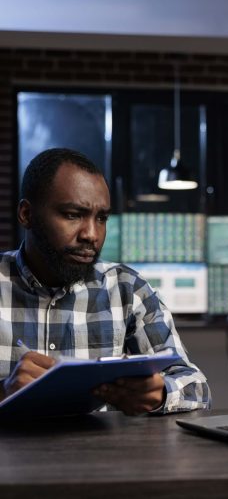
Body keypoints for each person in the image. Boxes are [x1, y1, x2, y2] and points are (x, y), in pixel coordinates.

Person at [0, 148, 211, 415]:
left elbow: (197, 387)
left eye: (101, 218)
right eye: (73, 214)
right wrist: (3, 390)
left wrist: (160, 393)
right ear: (26, 214)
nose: (91, 234)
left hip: (102, 455)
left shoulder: (127, 289)